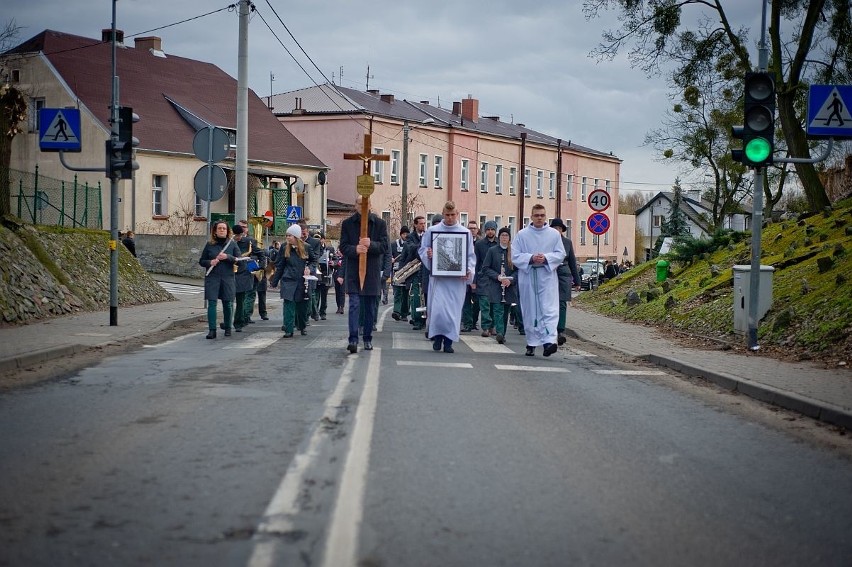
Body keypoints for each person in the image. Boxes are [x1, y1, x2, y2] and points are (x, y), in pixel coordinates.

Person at [420, 201, 476, 354]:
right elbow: (423, 249)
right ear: (443, 214)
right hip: (439, 279)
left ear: (457, 214)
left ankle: (449, 342)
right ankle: (437, 338)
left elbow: (470, 255)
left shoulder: (465, 233)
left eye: (453, 215)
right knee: (438, 311)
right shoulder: (433, 231)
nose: (450, 218)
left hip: (456, 281)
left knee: (452, 312)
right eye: (447, 215)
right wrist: (429, 255)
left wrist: (468, 270)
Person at [512, 204, 565, 357]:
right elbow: (515, 255)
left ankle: (549, 342)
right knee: (531, 310)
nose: (539, 218)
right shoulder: (522, 235)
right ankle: (532, 343)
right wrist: (531, 258)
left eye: (542, 215)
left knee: (549, 309)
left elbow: (561, 254)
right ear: (531, 217)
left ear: (545, 216)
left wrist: (547, 258)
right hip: (528, 276)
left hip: (547, 276)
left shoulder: (554, 235)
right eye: (537, 215)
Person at [339, 195, 389, 353]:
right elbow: (343, 246)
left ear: (371, 205)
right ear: (355, 205)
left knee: (369, 308)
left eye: (366, 203)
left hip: (372, 271)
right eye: (360, 203)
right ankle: (353, 339)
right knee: (354, 305)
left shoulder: (379, 223)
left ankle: (367, 338)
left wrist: (371, 245)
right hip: (354, 271)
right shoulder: (347, 224)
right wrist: (355, 249)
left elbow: (384, 247)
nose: (363, 206)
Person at [198, 221, 239, 339]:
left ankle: (228, 328)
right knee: (212, 303)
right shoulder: (209, 245)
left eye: (224, 229)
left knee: (227, 303)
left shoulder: (232, 244)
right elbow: (201, 261)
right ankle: (212, 330)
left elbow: (239, 260)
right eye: (219, 228)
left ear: (227, 231)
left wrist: (227, 257)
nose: (222, 230)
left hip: (227, 277)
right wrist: (210, 262)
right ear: (215, 231)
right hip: (213, 277)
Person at [269, 224, 311, 337]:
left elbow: (313, 261)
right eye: (286, 235)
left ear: (296, 236)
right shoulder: (284, 247)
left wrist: (309, 268)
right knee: (288, 304)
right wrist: (274, 281)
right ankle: (288, 329)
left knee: (302, 306)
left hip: (302, 280)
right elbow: (280, 265)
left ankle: (302, 326)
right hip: (288, 280)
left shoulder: (306, 247)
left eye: (290, 236)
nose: (287, 238)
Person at [481, 227, 519, 344]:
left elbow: (518, 270)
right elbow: (485, 268)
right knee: (498, 310)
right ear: (499, 237)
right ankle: (500, 333)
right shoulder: (493, 251)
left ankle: (503, 333)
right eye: (502, 235)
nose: (504, 238)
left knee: (505, 311)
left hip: (508, 286)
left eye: (506, 236)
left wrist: (510, 280)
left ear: (509, 238)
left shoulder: (514, 252)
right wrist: (497, 276)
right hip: (496, 285)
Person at [550, 218, 581, 345]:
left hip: (564, 274)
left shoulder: (567, 242)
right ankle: (549, 329)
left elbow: (573, 262)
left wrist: (577, 280)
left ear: (562, 230)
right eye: (554, 228)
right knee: (550, 304)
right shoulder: (547, 242)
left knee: (562, 303)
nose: (557, 230)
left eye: (559, 228)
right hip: (550, 273)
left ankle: (560, 330)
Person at [396, 216, 426, 330]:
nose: (423, 225)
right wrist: (423, 246)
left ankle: (424, 319)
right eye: (421, 223)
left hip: (425, 271)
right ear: (415, 225)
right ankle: (417, 320)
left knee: (425, 297)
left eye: (424, 223)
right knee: (417, 297)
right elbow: (411, 248)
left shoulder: (427, 235)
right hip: (414, 272)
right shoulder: (410, 237)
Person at [474, 220, 499, 337]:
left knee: (495, 303)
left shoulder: (499, 244)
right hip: (483, 277)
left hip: (496, 277)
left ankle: (493, 326)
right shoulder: (479, 244)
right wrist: (474, 280)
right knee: (484, 304)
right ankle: (485, 327)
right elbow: (475, 262)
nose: (490, 232)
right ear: (485, 231)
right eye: (488, 229)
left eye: (492, 229)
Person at [231, 224, 254, 332]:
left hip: (242, 274)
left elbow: (259, 254)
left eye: (241, 235)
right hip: (229, 274)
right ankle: (228, 322)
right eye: (238, 235)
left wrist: (254, 268)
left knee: (240, 300)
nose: (240, 237)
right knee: (228, 301)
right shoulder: (228, 243)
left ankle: (238, 322)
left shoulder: (248, 241)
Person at [461, 219, 481, 332]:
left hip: (477, 276)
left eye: (474, 228)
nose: (472, 230)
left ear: (477, 230)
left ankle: (474, 321)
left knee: (477, 301)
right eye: (470, 228)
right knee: (466, 300)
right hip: (465, 275)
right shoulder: (463, 241)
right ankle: (467, 323)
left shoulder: (480, 243)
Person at [390, 226, 410, 321]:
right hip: (397, 271)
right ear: (401, 234)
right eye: (404, 234)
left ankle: (404, 313)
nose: (405, 235)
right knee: (397, 292)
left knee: (406, 294)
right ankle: (396, 312)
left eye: (407, 234)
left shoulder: (410, 244)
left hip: (408, 271)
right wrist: (391, 259)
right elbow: (389, 254)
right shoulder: (394, 244)